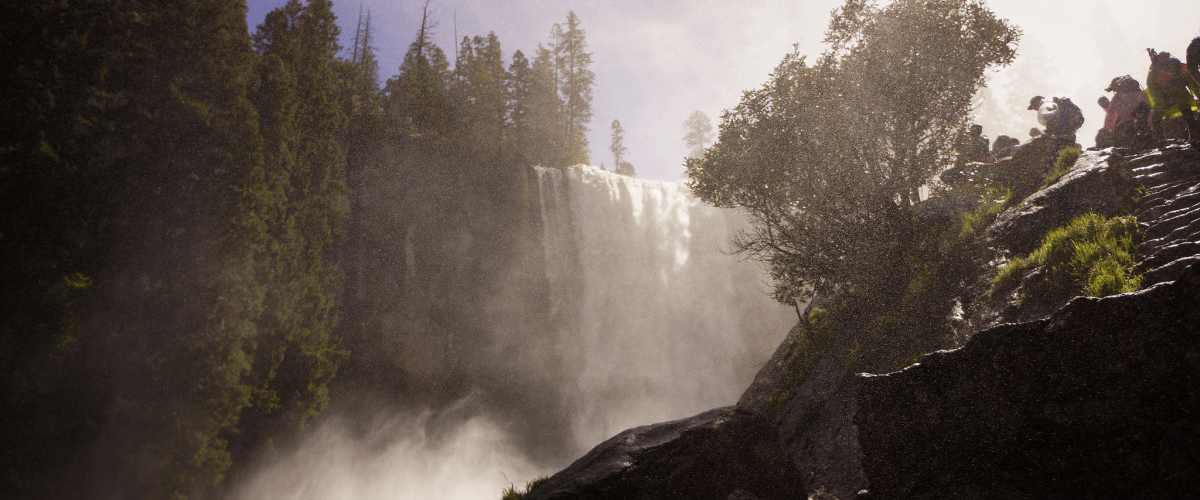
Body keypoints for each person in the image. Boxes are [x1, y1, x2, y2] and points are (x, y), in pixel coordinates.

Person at [1145, 48, 1200, 145]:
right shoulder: (1177, 66)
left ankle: (1161, 141)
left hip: (1165, 98)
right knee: (1189, 117)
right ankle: (1194, 138)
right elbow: (1191, 82)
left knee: (1156, 120)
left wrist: (1161, 103)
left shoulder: (1154, 71)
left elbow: (1152, 88)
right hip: (1181, 96)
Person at [1097, 75, 1152, 150]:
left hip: (1129, 122)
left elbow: (1111, 116)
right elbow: (1148, 106)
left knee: (1123, 131)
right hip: (1143, 115)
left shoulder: (1117, 98)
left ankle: (1132, 147)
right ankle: (1147, 141)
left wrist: (1106, 129)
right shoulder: (1139, 92)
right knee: (1143, 128)